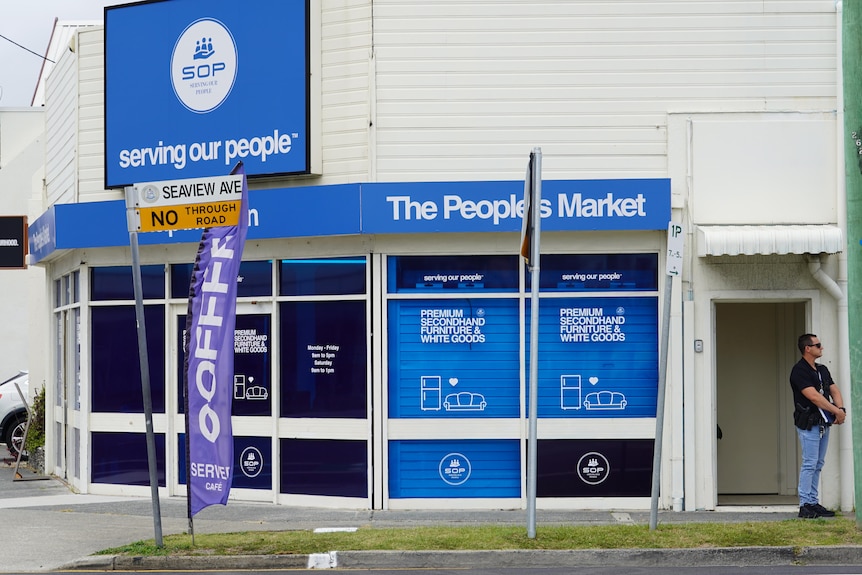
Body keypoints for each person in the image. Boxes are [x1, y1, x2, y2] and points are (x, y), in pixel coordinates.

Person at [789, 334, 847, 519]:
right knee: (809, 462)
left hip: (823, 423)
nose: (821, 348)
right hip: (809, 423)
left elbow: (833, 389)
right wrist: (836, 412)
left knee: (818, 463)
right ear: (808, 348)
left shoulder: (821, 369)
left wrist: (840, 408)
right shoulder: (799, 371)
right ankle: (805, 504)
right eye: (818, 345)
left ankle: (813, 502)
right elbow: (814, 397)